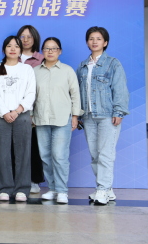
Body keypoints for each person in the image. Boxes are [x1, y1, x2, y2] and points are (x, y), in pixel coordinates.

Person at [76, 26, 129, 205]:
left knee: (106, 154)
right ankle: (108, 189)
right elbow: (78, 92)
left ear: (105, 42)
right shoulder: (82, 66)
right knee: (95, 155)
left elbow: (120, 89)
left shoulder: (113, 63)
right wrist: (79, 114)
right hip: (88, 116)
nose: (95, 41)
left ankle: (102, 189)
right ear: (87, 42)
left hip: (107, 115)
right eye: (91, 38)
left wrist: (119, 112)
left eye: (98, 39)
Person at [34, 37, 82, 204]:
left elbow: (75, 94)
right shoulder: (35, 71)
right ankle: (52, 189)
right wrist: (32, 115)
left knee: (60, 156)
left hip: (62, 119)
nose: (50, 51)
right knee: (45, 156)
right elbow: (31, 95)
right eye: (47, 48)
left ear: (59, 51)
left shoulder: (67, 71)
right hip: (41, 119)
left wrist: (75, 116)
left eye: (54, 48)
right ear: (42, 51)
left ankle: (62, 191)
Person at [0, 36, 36, 202]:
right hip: (0, 116)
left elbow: (31, 93)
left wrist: (17, 111)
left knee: (23, 153)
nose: (13, 49)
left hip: (21, 115)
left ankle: (22, 188)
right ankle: (4, 188)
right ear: (4, 49)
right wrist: (4, 112)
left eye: (16, 46)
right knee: (2, 154)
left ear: (21, 50)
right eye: (9, 46)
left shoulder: (27, 69)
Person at [17, 25, 45, 194]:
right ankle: (17, 180)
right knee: (16, 147)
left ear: (35, 39)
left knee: (34, 146)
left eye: (29, 36)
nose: (26, 40)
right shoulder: (12, 57)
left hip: (35, 110)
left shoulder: (42, 59)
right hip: (14, 110)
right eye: (22, 36)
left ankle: (34, 180)